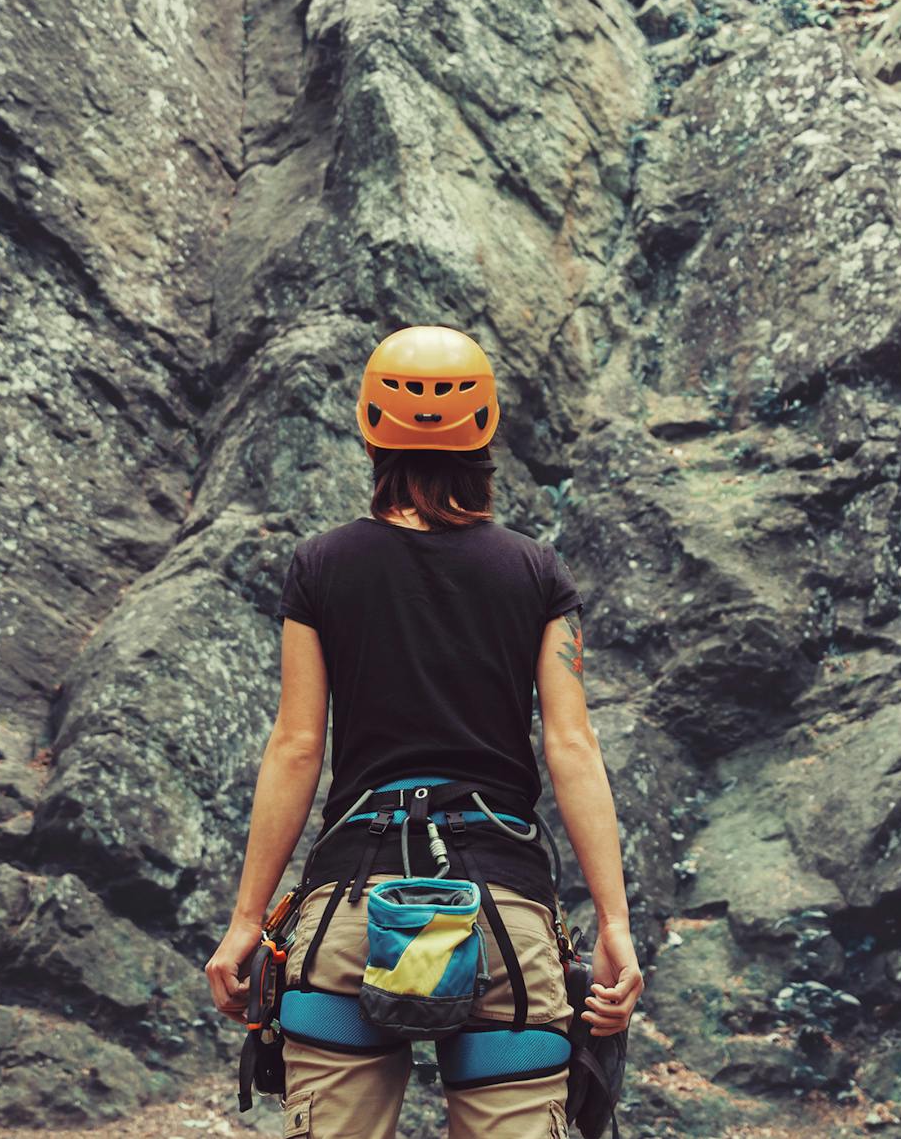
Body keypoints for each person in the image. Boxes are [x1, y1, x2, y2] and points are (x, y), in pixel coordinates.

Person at [205, 324, 643, 1138]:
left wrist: (246, 921)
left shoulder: (321, 566)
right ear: (486, 435)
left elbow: (297, 746)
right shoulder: (537, 573)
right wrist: (614, 926)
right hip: (502, 915)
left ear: (371, 431)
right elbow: (572, 746)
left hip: (349, 909)